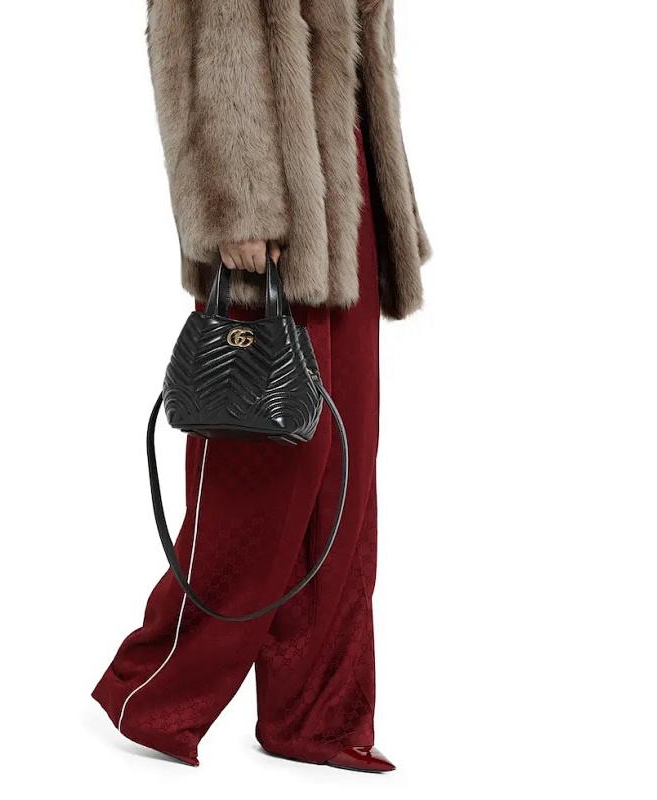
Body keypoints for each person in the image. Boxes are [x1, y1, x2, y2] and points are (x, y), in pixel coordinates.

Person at [92, 0, 431, 772]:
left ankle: (316, 715)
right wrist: (237, 199)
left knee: (342, 477)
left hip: (347, 191)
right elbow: (197, 26)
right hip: (274, 201)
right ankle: (153, 689)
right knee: (261, 480)